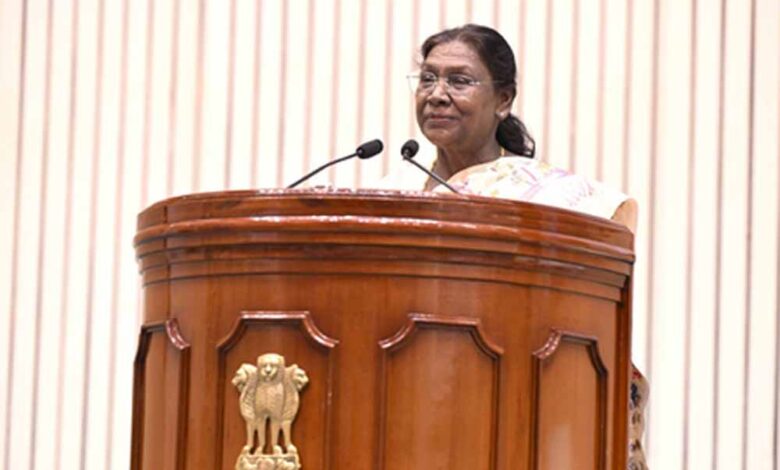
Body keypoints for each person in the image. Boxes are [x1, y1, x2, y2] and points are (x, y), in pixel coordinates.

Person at [374, 24, 647, 469]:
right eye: (427, 79)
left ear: (503, 100)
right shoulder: (391, 196)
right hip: (409, 405)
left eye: (459, 80)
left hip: (518, 409)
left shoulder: (551, 199)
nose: (437, 94)